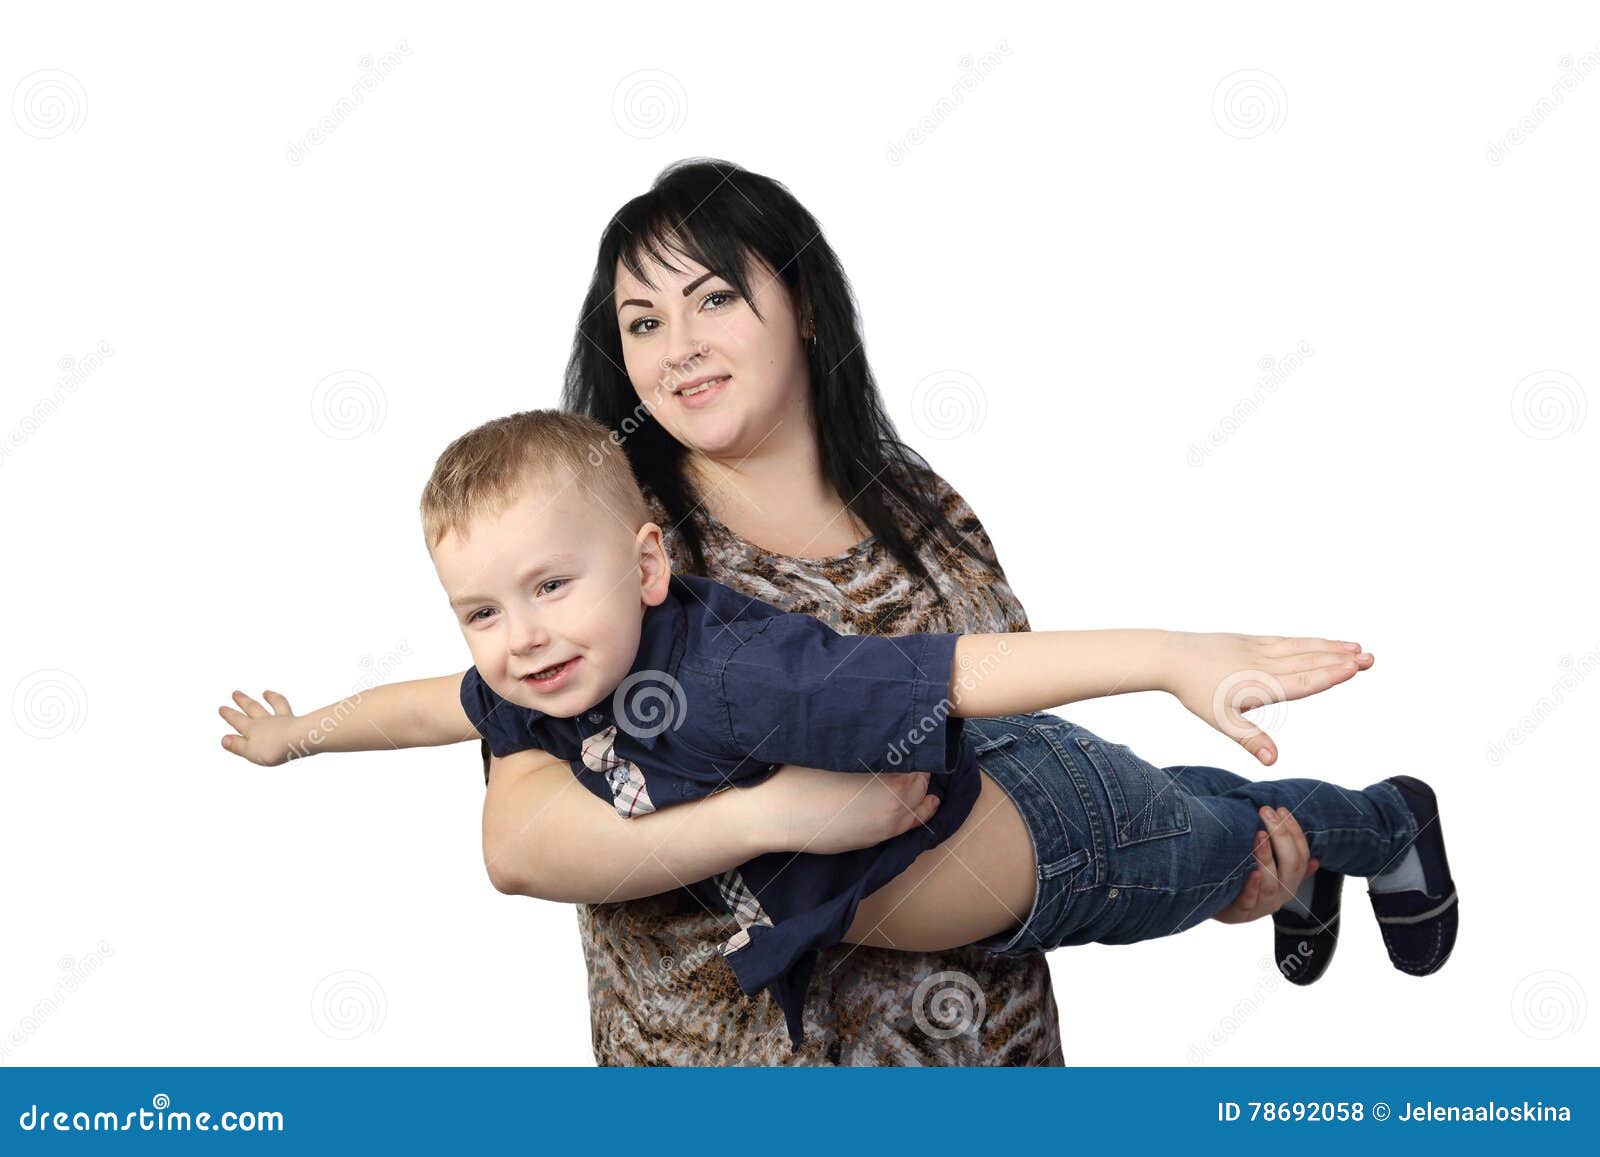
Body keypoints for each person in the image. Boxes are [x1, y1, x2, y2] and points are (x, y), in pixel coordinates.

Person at [229, 159, 1321, 1065]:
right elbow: (520, 837)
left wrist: (1179, 875)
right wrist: (779, 814)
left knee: (1204, 821)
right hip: (723, 1077)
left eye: (712, 297)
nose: (678, 345)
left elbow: (1015, 774)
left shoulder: (923, 511)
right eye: (642, 320)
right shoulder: (603, 550)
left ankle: (1331, 835)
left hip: (984, 1056)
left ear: (799, 306)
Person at [219, 408, 1459, 1052]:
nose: (520, 636)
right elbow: (430, 706)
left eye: (552, 587)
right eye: (482, 609)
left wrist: (1171, 656)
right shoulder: (545, 680)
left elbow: (958, 669)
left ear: (648, 564)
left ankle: (1385, 824)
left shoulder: (744, 671)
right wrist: (306, 734)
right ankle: (1319, 846)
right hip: (1006, 812)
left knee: (1222, 840)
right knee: (1201, 812)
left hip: (1055, 846)